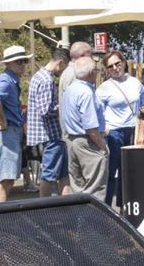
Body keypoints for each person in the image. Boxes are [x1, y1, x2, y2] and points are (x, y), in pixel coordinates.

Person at [96, 50, 144, 208]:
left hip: (132, 130)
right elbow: (97, 112)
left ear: (124, 62)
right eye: (111, 66)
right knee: (111, 172)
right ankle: (106, 208)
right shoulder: (104, 88)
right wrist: (106, 130)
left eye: (118, 63)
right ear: (106, 69)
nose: (115, 68)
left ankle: (126, 207)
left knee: (128, 172)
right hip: (114, 132)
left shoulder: (135, 82)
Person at [0, 45, 32, 203]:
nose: (23, 64)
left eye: (24, 61)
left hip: (9, 133)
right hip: (7, 133)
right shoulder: (6, 81)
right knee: (5, 180)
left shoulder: (9, 80)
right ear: (8, 64)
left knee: (7, 179)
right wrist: (3, 120)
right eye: (19, 62)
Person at [26, 48, 70, 197]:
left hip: (51, 135)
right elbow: (45, 110)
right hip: (50, 135)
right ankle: (43, 209)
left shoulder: (39, 76)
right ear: (60, 63)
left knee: (63, 173)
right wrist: (62, 106)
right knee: (49, 175)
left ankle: (67, 206)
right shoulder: (46, 80)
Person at [62, 56, 107, 198]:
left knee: (78, 187)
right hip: (88, 142)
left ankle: (79, 220)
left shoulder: (70, 89)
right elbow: (91, 127)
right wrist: (103, 147)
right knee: (95, 189)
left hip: (73, 140)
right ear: (91, 72)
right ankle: (94, 220)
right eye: (97, 70)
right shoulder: (86, 92)